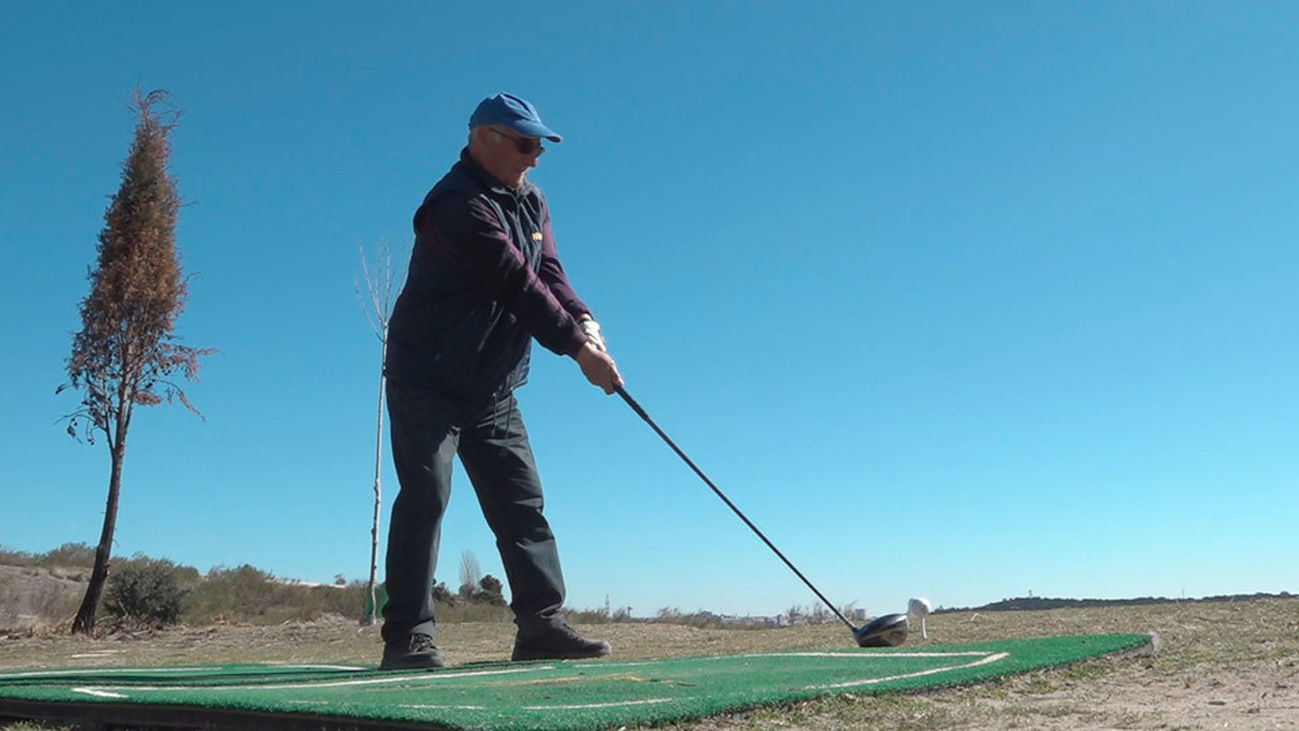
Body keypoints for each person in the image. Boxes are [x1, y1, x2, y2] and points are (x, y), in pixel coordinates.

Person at [378, 92, 623, 670]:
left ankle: (542, 626)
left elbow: (550, 274)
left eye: (540, 144)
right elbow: (515, 283)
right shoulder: (454, 206)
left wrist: (585, 320)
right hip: (426, 379)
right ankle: (407, 637)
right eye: (525, 143)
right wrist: (575, 350)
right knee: (426, 496)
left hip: (492, 384)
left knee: (522, 503)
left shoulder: (531, 200)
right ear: (483, 138)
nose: (535, 156)